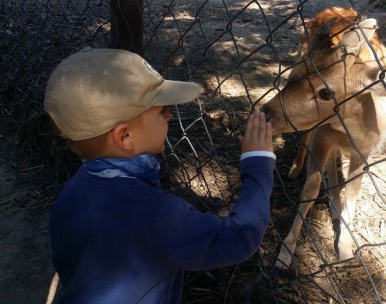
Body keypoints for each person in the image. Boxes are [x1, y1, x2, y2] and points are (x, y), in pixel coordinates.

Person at [44, 47, 275, 304]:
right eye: (160, 109)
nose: (169, 114)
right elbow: (241, 237)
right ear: (125, 136)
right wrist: (258, 164)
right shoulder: (162, 217)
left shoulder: (71, 194)